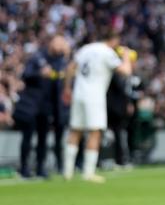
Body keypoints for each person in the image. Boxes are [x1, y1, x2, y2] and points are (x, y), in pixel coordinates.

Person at [62, 30, 133, 183]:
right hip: (94, 96)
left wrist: (67, 88)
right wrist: (126, 57)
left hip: (78, 93)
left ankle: (67, 172)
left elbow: (70, 68)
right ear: (113, 40)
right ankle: (89, 173)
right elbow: (126, 71)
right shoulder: (107, 52)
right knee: (95, 132)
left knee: (75, 130)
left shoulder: (86, 48)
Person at [14, 35, 71, 178]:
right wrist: (39, 73)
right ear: (51, 43)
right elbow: (25, 75)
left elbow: (63, 78)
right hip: (32, 104)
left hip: (47, 106)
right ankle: (24, 167)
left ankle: (40, 167)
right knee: (27, 137)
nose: (61, 47)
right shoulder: (38, 57)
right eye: (59, 43)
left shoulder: (60, 61)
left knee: (43, 139)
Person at [106, 48, 138, 169]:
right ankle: (119, 160)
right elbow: (122, 89)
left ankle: (121, 159)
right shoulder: (118, 72)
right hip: (115, 108)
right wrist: (128, 103)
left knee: (119, 134)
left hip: (117, 107)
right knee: (117, 134)